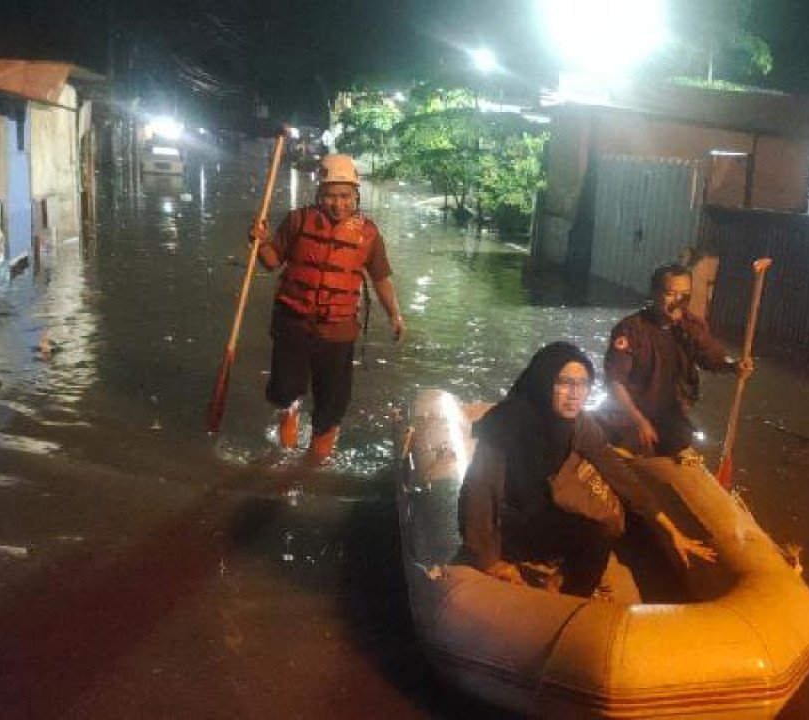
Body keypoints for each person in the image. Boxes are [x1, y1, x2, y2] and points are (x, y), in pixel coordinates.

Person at [457, 342, 715, 597]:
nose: (575, 394)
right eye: (565, 382)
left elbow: (618, 474)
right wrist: (489, 561)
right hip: (507, 527)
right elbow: (479, 496)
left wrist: (672, 531)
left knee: (599, 536)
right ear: (544, 382)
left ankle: (562, 593)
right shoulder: (506, 426)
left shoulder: (578, 425)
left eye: (582, 384)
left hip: (542, 514)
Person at [249, 153, 405, 462]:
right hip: (293, 324)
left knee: (332, 404)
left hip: (337, 331)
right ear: (319, 194)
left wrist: (395, 315)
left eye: (345, 196)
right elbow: (271, 262)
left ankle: (314, 465)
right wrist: (261, 243)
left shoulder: (369, 234)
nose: (338, 204)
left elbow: (381, 279)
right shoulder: (297, 221)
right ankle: (285, 448)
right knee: (284, 390)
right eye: (331, 196)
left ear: (356, 195)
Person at [603, 262, 753, 458]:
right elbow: (615, 381)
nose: (678, 302)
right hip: (630, 411)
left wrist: (733, 366)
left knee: (681, 438)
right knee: (626, 441)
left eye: (685, 295)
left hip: (669, 412)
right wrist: (638, 420)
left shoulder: (692, 327)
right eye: (671, 294)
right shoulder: (630, 330)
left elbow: (712, 357)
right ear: (654, 294)